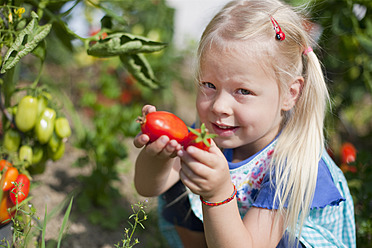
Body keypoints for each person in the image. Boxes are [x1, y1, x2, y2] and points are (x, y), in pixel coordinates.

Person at [133, 0, 356, 247]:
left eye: (243, 91)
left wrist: (218, 194)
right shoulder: (209, 135)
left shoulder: (292, 164)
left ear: (290, 94)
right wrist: (158, 157)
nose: (219, 106)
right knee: (185, 175)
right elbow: (147, 187)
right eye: (209, 85)